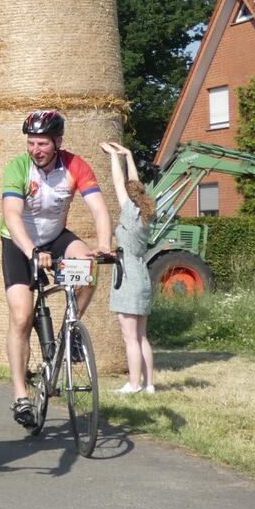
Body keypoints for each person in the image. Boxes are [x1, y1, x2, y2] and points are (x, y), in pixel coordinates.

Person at [1, 109, 112, 429]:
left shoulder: (75, 166)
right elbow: (11, 213)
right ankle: (21, 395)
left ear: (58, 142)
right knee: (21, 315)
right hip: (19, 241)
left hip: (55, 236)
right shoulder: (18, 167)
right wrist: (32, 251)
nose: (35, 149)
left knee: (88, 266)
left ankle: (71, 330)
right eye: (31, 143)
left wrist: (104, 243)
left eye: (42, 144)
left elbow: (99, 208)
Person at [101, 141, 156, 394]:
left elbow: (118, 184)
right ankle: (149, 384)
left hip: (128, 275)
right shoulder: (146, 213)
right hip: (142, 273)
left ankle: (133, 385)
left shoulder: (130, 212)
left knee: (129, 336)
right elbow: (135, 186)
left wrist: (114, 157)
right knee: (142, 335)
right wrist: (129, 156)